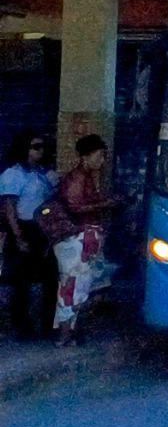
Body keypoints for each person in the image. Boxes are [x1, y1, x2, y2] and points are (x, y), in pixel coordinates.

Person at [41, 134, 116, 347]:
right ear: (86, 156)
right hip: (76, 238)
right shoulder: (77, 178)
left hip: (83, 238)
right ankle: (65, 335)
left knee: (78, 286)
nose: (102, 160)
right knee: (72, 287)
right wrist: (105, 205)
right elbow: (75, 207)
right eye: (100, 155)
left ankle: (69, 332)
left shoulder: (87, 177)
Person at [0, 133, 57, 339]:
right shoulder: (13, 174)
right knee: (21, 282)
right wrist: (18, 237)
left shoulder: (42, 173)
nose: (40, 151)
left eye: (42, 147)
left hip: (43, 228)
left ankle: (49, 324)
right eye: (36, 147)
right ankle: (22, 326)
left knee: (51, 278)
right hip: (24, 228)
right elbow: (9, 209)